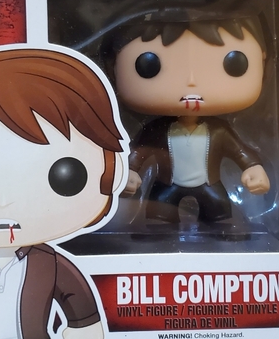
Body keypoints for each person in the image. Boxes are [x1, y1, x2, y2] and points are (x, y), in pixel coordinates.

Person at [0, 49, 126, 339]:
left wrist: (85, 325)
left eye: (64, 176)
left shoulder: (48, 261)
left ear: (111, 171)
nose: (4, 202)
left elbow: (74, 293)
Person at [107, 16, 270, 238]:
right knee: (157, 221)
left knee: (221, 218)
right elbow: (139, 151)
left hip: (210, 186)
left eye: (233, 63)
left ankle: (221, 227)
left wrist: (253, 167)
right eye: (149, 65)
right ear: (114, 67)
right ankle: (158, 229)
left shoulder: (219, 130)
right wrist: (130, 171)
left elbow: (239, 151)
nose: (191, 82)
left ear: (263, 61)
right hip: (167, 186)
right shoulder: (157, 129)